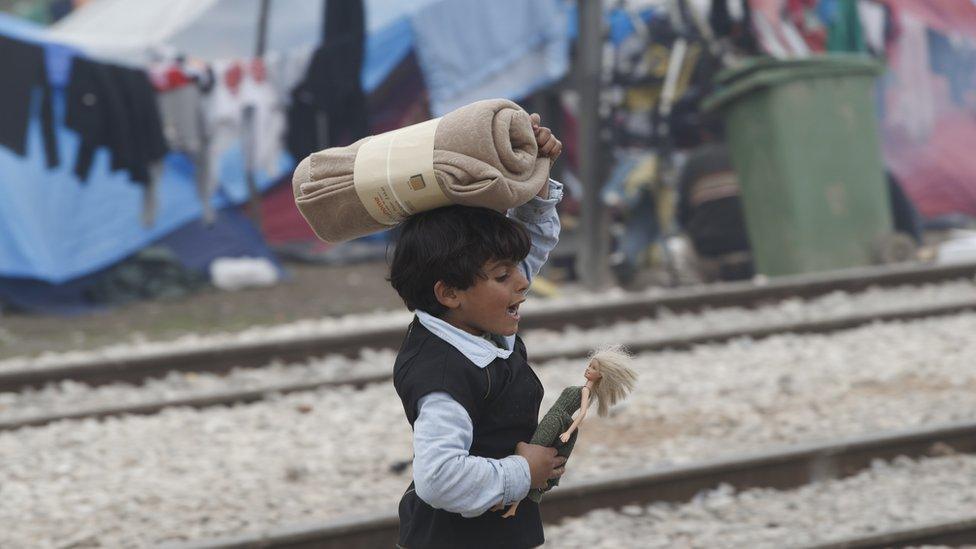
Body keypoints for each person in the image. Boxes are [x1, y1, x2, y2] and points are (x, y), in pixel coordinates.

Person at [389, 115, 564, 549]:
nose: (522, 283)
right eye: (503, 276)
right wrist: (523, 473)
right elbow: (437, 478)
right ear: (449, 293)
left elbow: (530, 246)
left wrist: (535, 175)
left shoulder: (476, 324)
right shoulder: (444, 375)